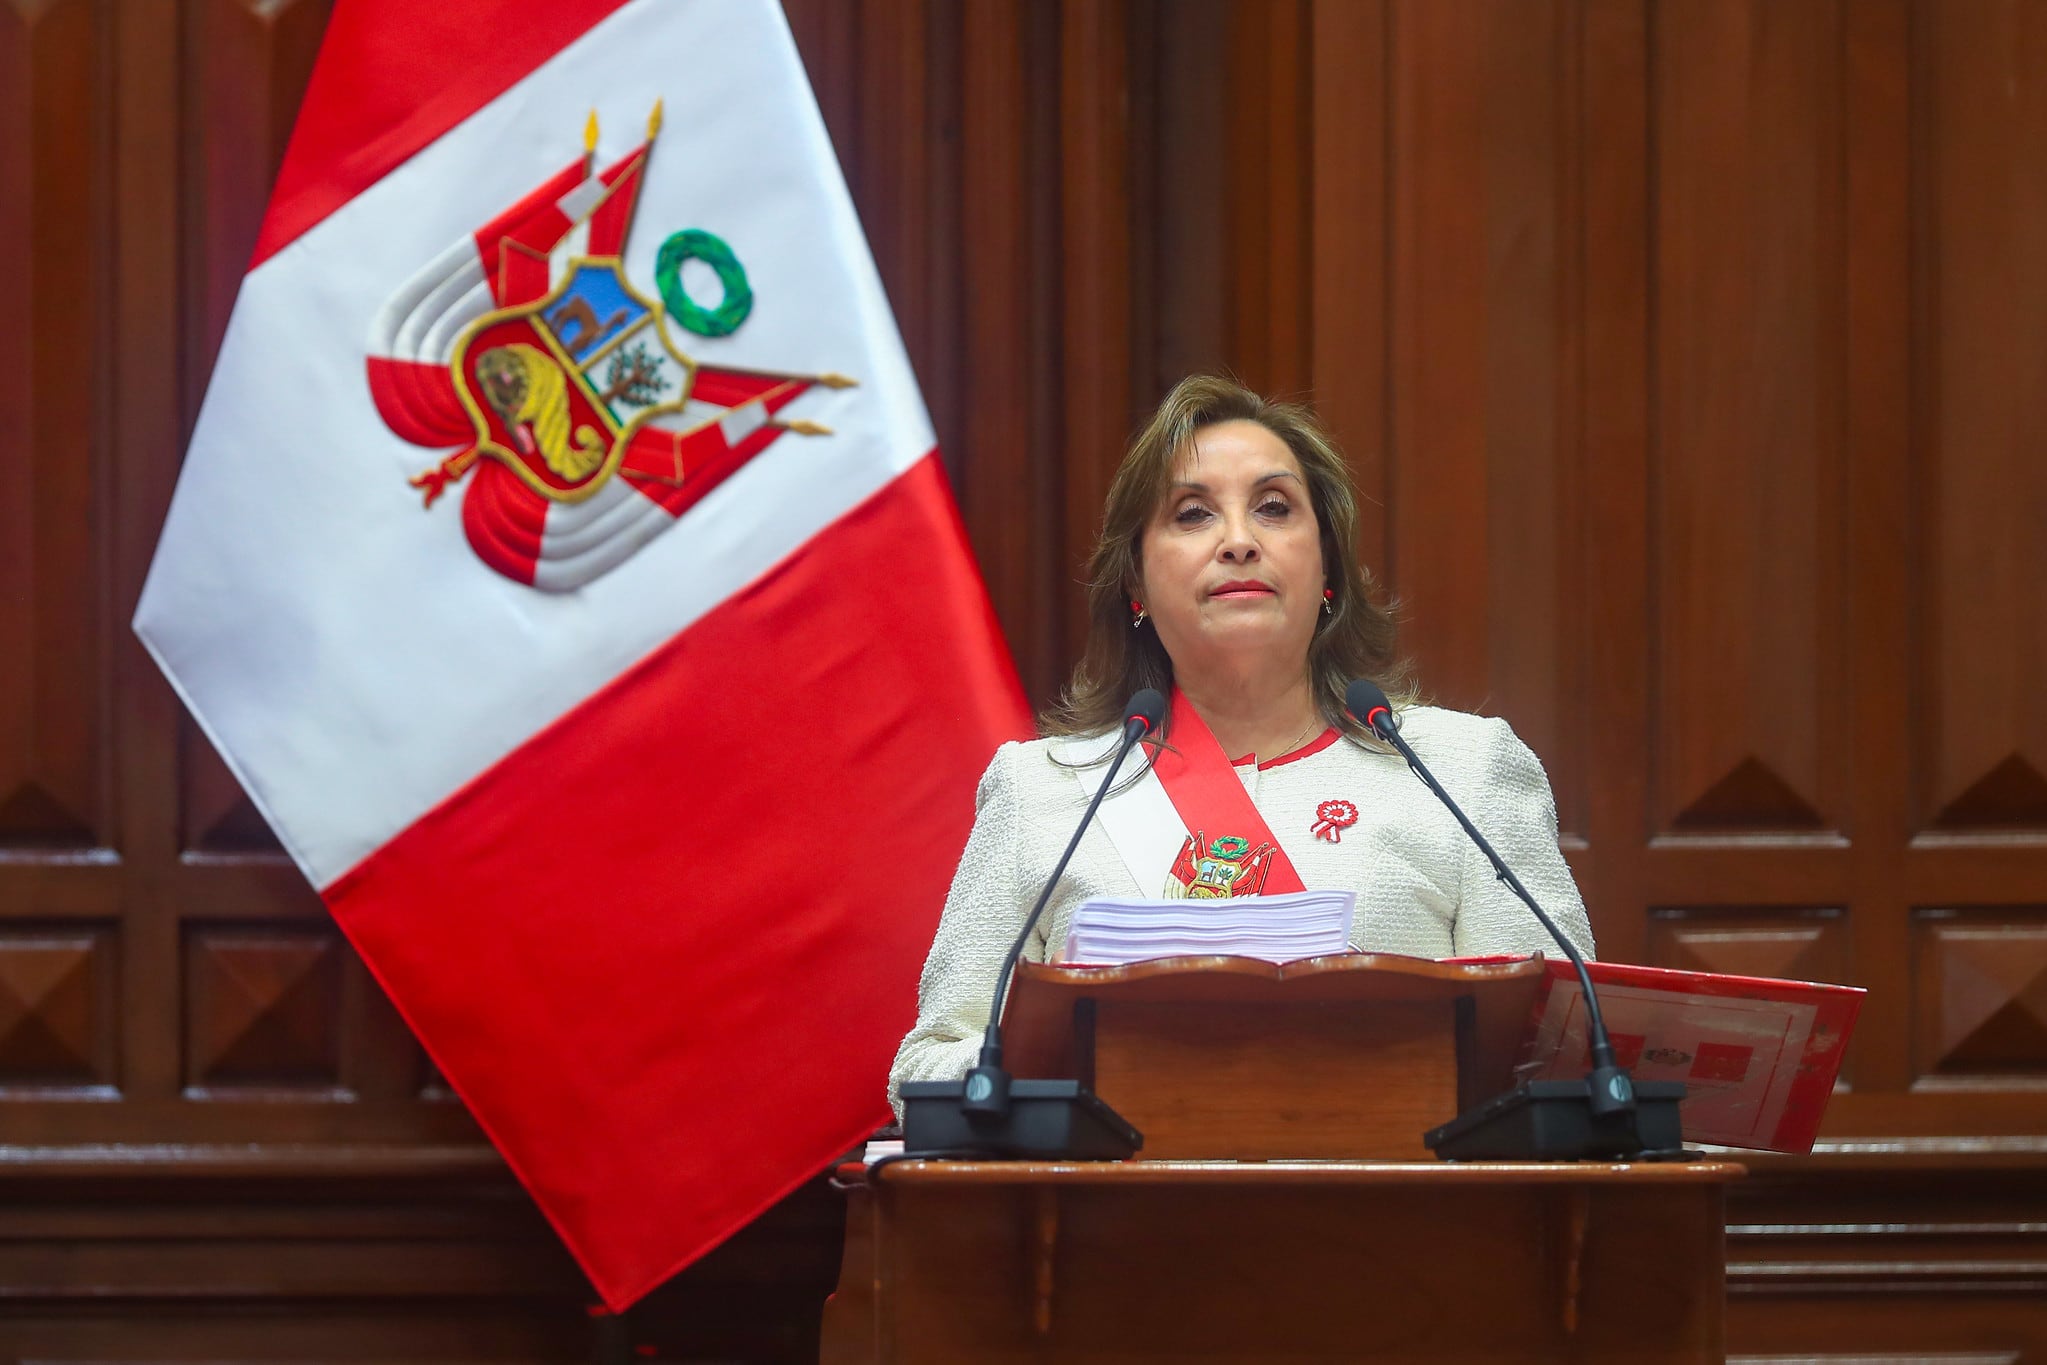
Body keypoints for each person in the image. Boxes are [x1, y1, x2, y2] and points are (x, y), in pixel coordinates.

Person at [889, 375, 1593, 1102]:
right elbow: (926, 1068)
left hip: (1388, 1174)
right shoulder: (1042, 790)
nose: (1238, 541)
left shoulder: (1463, 771)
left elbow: (1559, 1053)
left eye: (1274, 507)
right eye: (1192, 514)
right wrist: (1064, 1062)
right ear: (1135, 581)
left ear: (1326, 567)